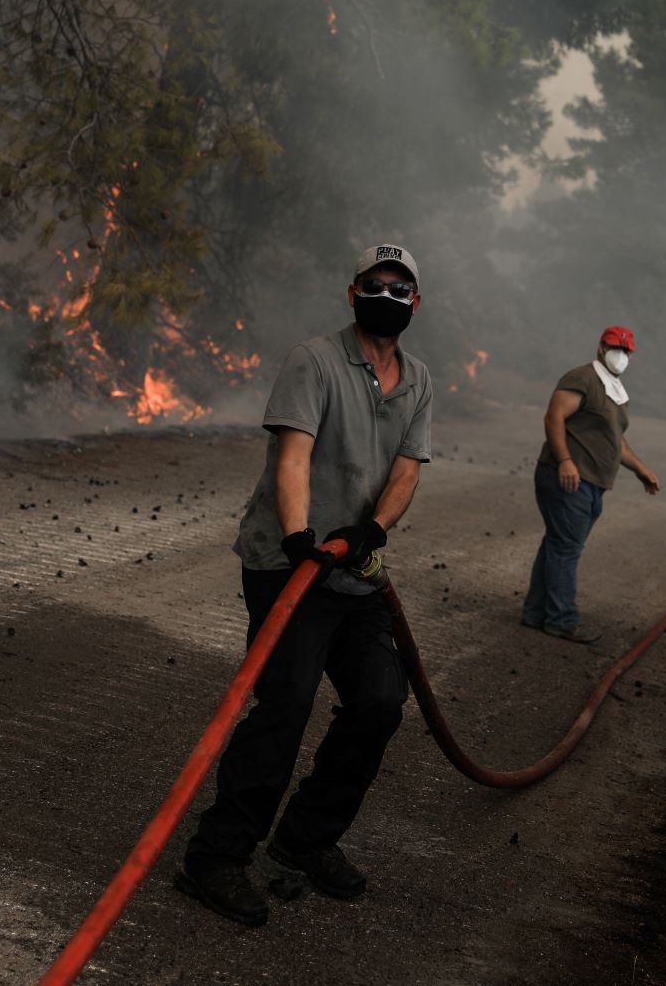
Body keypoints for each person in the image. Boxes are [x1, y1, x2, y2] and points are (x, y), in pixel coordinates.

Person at [178, 243, 433, 927]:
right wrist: (299, 539)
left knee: (380, 701)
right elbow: (292, 456)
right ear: (352, 294)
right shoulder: (313, 361)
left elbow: (406, 470)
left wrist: (374, 531)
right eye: (375, 284)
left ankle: (304, 839)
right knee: (285, 703)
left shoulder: (418, 380)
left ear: (416, 302)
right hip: (286, 565)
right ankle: (215, 857)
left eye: (399, 287)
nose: (387, 295)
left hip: (355, 572)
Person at [520, 325, 661, 644]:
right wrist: (566, 460)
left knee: (558, 544)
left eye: (626, 351)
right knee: (566, 547)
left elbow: (615, 440)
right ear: (601, 347)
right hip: (569, 476)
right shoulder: (583, 378)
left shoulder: (615, 389)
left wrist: (641, 469)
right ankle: (561, 619)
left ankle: (536, 612)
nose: (621, 355)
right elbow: (553, 417)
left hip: (593, 482)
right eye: (616, 348)